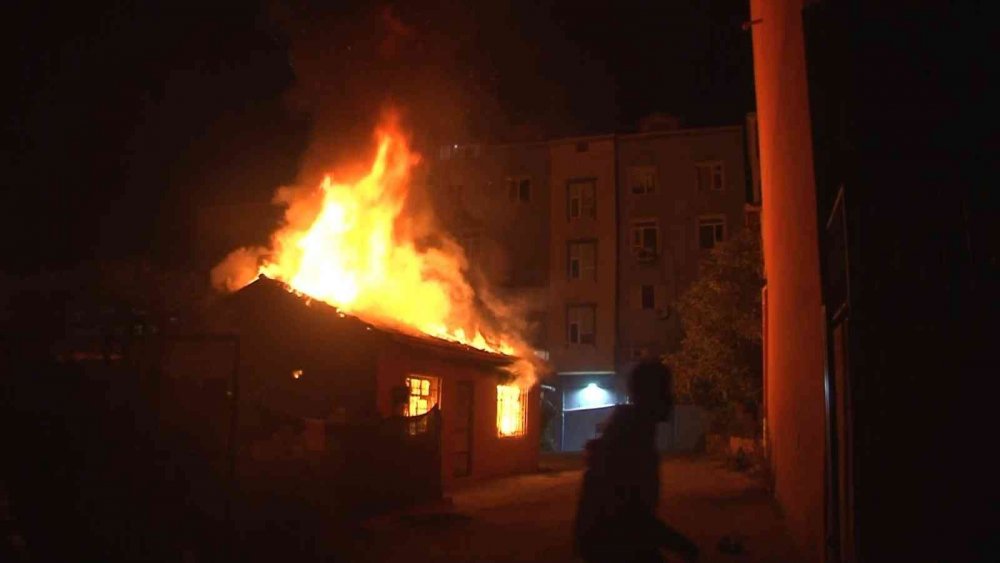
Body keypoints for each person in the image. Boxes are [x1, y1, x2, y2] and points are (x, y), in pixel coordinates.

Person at [573, 361, 699, 562]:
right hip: (611, 548)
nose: (672, 399)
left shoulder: (633, 432)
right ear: (652, 396)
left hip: (609, 544)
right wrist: (684, 546)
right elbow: (631, 519)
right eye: (666, 391)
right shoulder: (632, 442)